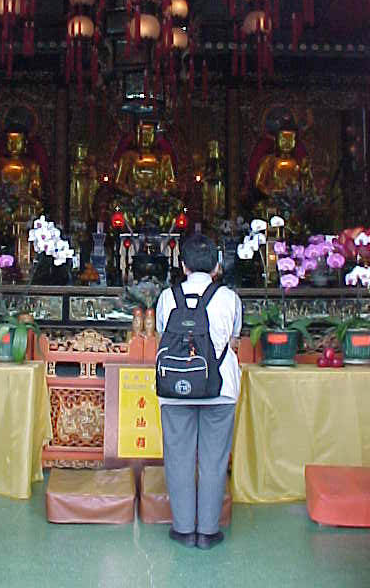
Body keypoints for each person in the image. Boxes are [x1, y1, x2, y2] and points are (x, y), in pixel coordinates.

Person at [155, 234, 242, 550]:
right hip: (221, 387)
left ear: (183, 265)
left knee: (178, 458)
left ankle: (182, 528)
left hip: (174, 389)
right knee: (214, 460)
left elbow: (162, 334)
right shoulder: (230, 298)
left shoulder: (168, 297)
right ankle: (207, 531)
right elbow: (233, 340)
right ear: (217, 266)